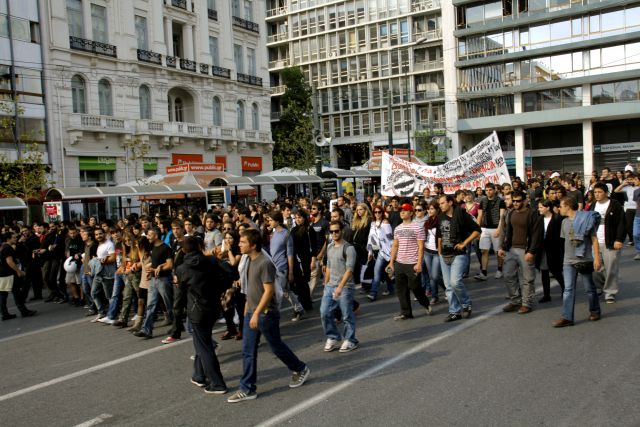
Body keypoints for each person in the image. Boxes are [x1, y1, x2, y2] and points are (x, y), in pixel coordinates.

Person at [227, 229, 310, 403]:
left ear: (253, 245)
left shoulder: (265, 263)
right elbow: (251, 288)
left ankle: (300, 368)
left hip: (265, 314)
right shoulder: (248, 260)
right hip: (252, 311)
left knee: (276, 346)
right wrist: (248, 309)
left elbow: (269, 291)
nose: (239, 244)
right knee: (248, 351)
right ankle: (247, 388)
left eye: (242, 242)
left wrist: (256, 313)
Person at [176, 236, 228, 395]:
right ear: (200, 246)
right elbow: (229, 275)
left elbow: (180, 295)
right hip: (213, 307)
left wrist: (176, 315)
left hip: (197, 310)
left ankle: (217, 383)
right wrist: (219, 290)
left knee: (204, 346)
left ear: (184, 250)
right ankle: (198, 375)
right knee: (202, 342)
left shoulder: (182, 269)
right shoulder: (211, 260)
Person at [553, 197, 601, 327]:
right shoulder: (564, 222)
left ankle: (595, 311)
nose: (559, 208)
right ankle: (567, 317)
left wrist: (597, 258)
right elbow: (566, 243)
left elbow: (594, 239)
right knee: (568, 289)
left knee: (589, 288)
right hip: (568, 261)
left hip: (584, 259)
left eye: (561, 206)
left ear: (568, 206)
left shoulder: (586, 220)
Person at [437, 195, 481, 322]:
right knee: (448, 286)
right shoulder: (440, 217)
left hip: (458, 254)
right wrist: (440, 252)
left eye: (442, 203)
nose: (440, 206)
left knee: (455, 282)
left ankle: (466, 304)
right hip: (444, 255)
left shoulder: (462, 215)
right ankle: (454, 311)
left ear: (450, 203)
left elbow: (477, 231)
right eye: (439, 204)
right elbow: (439, 236)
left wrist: (464, 243)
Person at [498, 190, 543, 314]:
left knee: (527, 279)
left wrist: (531, 251)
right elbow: (508, 232)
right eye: (514, 201)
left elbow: (536, 235)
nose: (516, 203)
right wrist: (503, 247)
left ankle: (526, 303)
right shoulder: (511, 213)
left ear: (524, 201)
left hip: (526, 250)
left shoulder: (533, 214)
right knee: (508, 275)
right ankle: (515, 300)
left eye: (518, 201)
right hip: (511, 249)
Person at [387, 202, 432, 320]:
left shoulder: (417, 227)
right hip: (400, 263)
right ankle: (406, 312)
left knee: (415, 286)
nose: (402, 212)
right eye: (401, 210)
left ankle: (425, 303)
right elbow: (395, 246)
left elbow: (421, 246)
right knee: (401, 289)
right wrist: (391, 262)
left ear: (411, 213)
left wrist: (419, 263)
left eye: (405, 210)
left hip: (412, 263)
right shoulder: (397, 228)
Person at [320, 220, 359, 352]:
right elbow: (329, 267)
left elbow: (349, 270)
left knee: (347, 315)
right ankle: (333, 336)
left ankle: (350, 340)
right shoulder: (330, 247)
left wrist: (340, 287)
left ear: (342, 231)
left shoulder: (349, 248)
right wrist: (326, 284)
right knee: (324, 312)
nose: (334, 234)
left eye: (336, 231)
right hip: (330, 285)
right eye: (331, 232)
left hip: (345, 286)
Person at [134, 228, 174, 339]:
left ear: (156, 236)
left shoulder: (165, 248)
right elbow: (154, 262)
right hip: (153, 280)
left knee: (169, 304)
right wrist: (150, 270)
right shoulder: (153, 248)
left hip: (164, 280)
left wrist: (159, 268)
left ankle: (177, 325)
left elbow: (169, 264)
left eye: (150, 235)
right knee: (150, 305)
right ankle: (146, 330)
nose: (148, 237)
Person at [590, 182, 625, 304]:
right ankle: (601, 286)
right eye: (595, 192)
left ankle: (610, 292)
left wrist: (619, 239)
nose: (597, 195)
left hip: (610, 241)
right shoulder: (593, 205)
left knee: (611, 268)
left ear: (606, 193)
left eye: (599, 192)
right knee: (596, 268)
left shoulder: (614, 205)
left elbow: (622, 223)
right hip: (595, 242)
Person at [268, 211, 305, 321]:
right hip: (273, 266)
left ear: (277, 221)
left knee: (280, 292)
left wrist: (290, 272)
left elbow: (290, 254)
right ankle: (299, 309)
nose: (269, 222)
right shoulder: (274, 233)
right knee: (285, 291)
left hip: (282, 267)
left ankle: (276, 316)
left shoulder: (286, 234)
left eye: (270, 220)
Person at [0, 231, 36, 319]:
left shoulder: (2, 247)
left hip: (3, 273)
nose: (16, 239)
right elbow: (10, 261)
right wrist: (18, 271)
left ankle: (5, 314)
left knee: (3, 294)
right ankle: (24, 311)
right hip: (9, 274)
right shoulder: (7, 248)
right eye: (14, 237)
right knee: (16, 293)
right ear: (8, 239)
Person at [535, 199, 565, 303]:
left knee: (556, 271)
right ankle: (546, 295)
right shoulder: (539, 219)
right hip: (542, 249)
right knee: (544, 271)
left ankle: (565, 289)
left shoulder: (557, 219)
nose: (539, 209)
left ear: (548, 208)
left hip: (554, 249)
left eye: (541, 207)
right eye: (539, 207)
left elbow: (562, 236)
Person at [475, 183, 506, 280]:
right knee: (484, 250)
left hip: (496, 228)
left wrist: (499, 229)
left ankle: (500, 270)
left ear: (494, 190)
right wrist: (477, 230)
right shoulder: (482, 201)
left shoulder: (500, 201)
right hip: (484, 228)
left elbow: (502, 216)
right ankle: (484, 273)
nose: (488, 192)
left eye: (490, 190)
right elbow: (479, 216)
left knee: (498, 251)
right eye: (487, 190)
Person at [366, 206, 394, 301]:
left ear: (382, 213)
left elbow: (391, 239)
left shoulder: (385, 223)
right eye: (375, 212)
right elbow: (370, 238)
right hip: (379, 251)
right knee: (379, 272)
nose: (377, 214)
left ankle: (373, 293)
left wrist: (392, 253)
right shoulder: (373, 224)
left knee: (381, 272)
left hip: (387, 251)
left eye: (379, 212)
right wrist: (370, 252)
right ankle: (388, 289)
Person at [90, 228, 116, 322]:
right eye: (96, 234)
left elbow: (113, 258)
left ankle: (112, 315)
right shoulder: (99, 244)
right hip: (99, 273)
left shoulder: (109, 244)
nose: (98, 236)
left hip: (107, 273)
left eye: (100, 234)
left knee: (109, 295)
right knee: (94, 293)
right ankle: (101, 313)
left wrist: (103, 261)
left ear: (104, 234)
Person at [614, 173, 639, 246]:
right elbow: (616, 190)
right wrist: (623, 184)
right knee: (628, 225)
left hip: (637, 208)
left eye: (631, 179)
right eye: (628, 180)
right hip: (629, 208)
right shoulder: (627, 187)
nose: (630, 181)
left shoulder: (638, 187)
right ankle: (632, 239)